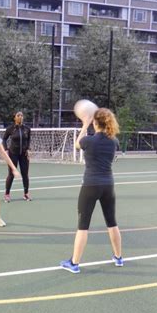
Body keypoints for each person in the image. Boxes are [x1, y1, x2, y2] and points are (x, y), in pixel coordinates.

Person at [60, 108, 123, 273]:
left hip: (90, 185)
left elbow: (76, 143)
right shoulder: (114, 141)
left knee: (83, 226)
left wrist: (84, 124)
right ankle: (118, 257)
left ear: (95, 123)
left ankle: (74, 263)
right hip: (108, 186)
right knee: (112, 222)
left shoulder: (88, 141)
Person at [3, 111, 32, 202]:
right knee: (11, 174)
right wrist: (6, 149)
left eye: (22, 115)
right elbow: (4, 139)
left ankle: (26, 194)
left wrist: (28, 149)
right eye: (18, 115)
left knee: (25, 174)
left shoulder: (27, 129)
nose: (20, 117)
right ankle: (7, 194)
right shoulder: (10, 129)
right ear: (15, 118)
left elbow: (28, 140)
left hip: (23, 155)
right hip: (13, 154)